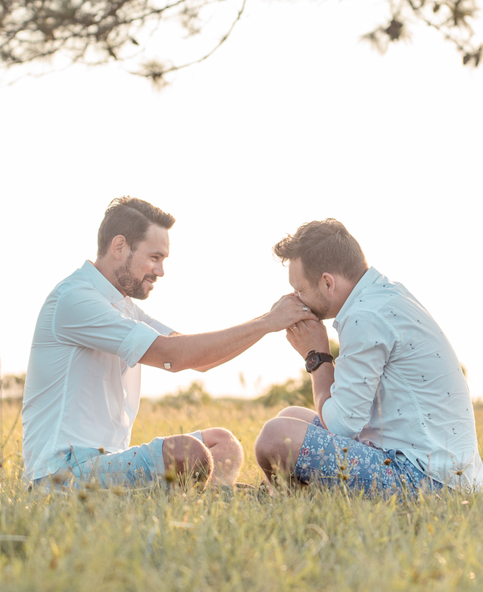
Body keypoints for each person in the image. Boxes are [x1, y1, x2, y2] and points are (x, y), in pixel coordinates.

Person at [22, 196, 317, 489]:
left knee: (223, 444)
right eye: (154, 257)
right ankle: (209, 498)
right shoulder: (75, 299)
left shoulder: (122, 306)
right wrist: (267, 321)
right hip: (61, 473)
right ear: (119, 247)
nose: (160, 271)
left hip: (107, 461)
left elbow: (195, 359)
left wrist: (268, 325)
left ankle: (206, 501)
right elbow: (173, 356)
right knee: (187, 453)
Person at [254, 219, 483, 495]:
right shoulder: (382, 297)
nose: (295, 298)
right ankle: (300, 499)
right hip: (438, 471)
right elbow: (350, 413)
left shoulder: (364, 317)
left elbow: (341, 426)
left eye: (300, 290)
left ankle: (297, 502)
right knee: (290, 416)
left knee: (275, 436)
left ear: (327, 282)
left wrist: (316, 356)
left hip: (427, 481)